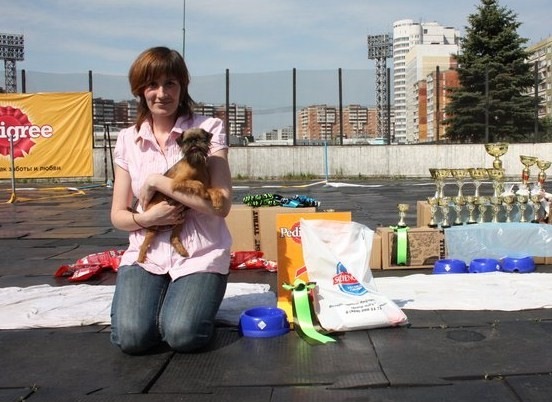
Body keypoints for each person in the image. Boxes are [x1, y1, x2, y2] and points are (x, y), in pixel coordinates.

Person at [110, 46, 232, 355]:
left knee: (182, 334)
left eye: (170, 84)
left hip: (199, 254)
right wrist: (145, 219)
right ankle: (168, 299)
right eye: (152, 84)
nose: (161, 93)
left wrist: (157, 181)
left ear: (182, 86)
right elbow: (118, 215)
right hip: (147, 255)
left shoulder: (208, 129)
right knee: (133, 338)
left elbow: (221, 206)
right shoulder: (127, 139)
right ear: (141, 90)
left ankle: (191, 302)